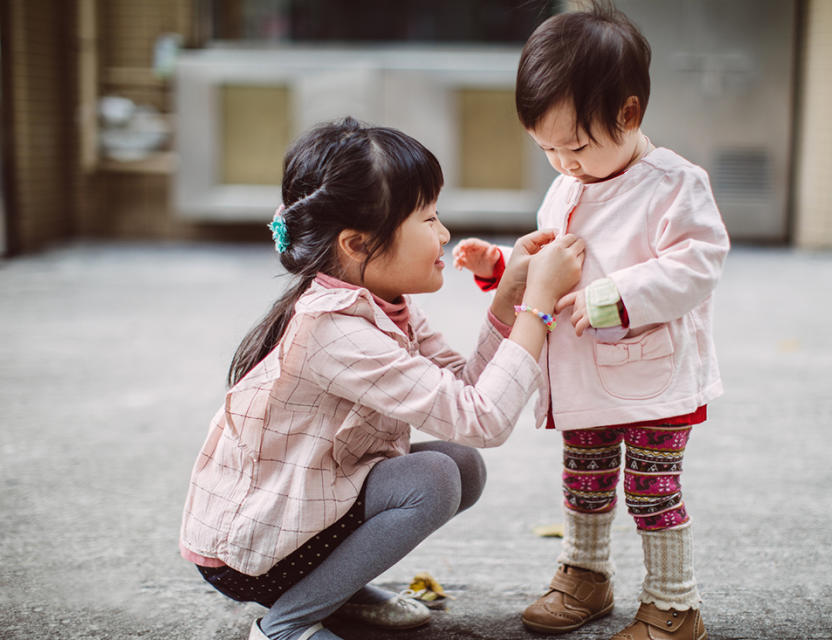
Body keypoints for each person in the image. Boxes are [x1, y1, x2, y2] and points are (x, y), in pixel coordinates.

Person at [179, 117, 585, 640]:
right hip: (253, 551)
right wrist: (539, 306)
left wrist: (509, 295)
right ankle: (285, 625)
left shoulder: (386, 306)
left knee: (460, 465)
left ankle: (335, 592)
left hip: (309, 510)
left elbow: (465, 387)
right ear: (356, 243)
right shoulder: (332, 329)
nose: (443, 234)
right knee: (433, 479)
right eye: (427, 218)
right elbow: (485, 418)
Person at [452, 3, 729, 639]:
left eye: (573, 145)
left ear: (628, 115)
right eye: (546, 149)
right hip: (582, 377)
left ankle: (674, 605)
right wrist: (504, 266)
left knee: (650, 490)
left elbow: (699, 262)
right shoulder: (570, 183)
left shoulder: (673, 184)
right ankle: (585, 574)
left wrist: (618, 295)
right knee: (585, 481)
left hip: (651, 376)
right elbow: (554, 256)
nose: (562, 163)